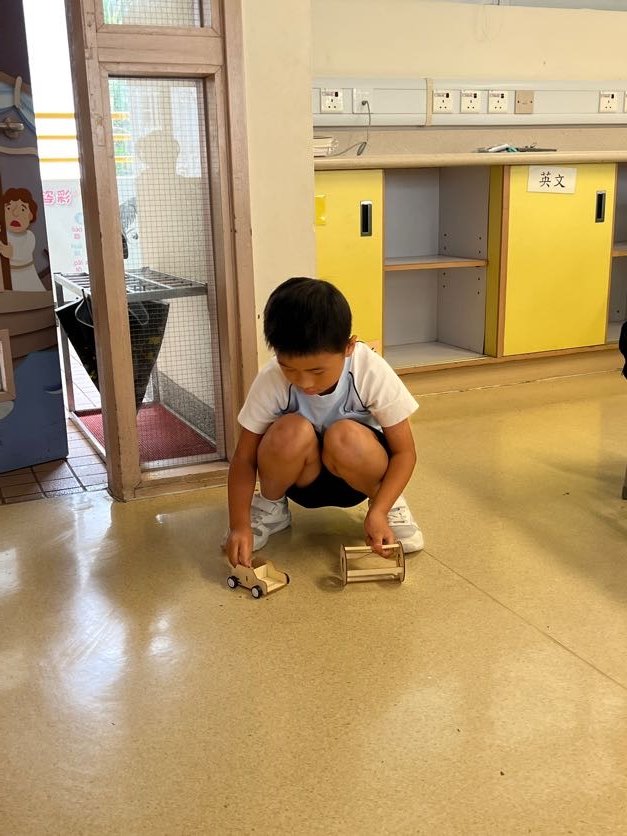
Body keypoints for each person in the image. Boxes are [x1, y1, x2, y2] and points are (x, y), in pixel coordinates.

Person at [223, 276, 423, 568]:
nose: (304, 382)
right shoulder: (272, 378)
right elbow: (244, 457)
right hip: (301, 478)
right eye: (289, 368)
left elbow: (405, 452)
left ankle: (388, 506)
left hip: (359, 475)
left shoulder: (369, 369)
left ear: (349, 347)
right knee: (290, 431)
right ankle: (271, 507)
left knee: (345, 435)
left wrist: (379, 509)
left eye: (317, 371)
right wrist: (238, 525)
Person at [0, 188, 46, 292]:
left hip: (26, 274)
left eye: (22, 209)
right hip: (8, 277)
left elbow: (24, 252)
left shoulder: (29, 236)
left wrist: (11, 253)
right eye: (8, 208)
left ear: (30, 215)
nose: (15, 214)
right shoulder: (3, 234)